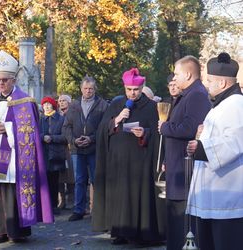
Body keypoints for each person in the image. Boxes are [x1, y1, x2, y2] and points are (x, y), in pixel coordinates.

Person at [0, 50, 53, 244]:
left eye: (5, 80)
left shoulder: (25, 101)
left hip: (15, 159)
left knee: (12, 192)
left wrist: (7, 128)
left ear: (13, 80)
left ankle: (17, 232)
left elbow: (30, 131)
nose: (1, 84)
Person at [92, 68, 164, 246]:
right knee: (119, 196)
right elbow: (102, 129)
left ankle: (140, 234)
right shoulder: (117, 104)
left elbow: (158, 134)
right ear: (124, 88)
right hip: (118, 161)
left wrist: (144, 134)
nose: (132, 93)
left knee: (137, 197)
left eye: (136, 90)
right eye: (129, 89)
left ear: (142, 88)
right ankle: (120, 232)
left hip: (140, 162)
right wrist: (116, 120)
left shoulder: (151, 107)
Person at [186, 52, 243, 250]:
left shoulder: (237, 105)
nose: (206, 84)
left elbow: (236, 141)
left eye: (210, 80)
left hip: (228, 195)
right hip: (215, 190)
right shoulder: (221, 104)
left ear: (223, 84)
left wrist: (202, 148)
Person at [158, 55, 211, 250]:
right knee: (175, 220)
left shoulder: (196, 94)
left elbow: (191, 128)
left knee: (182, 221)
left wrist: (165, 128)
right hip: (177, 166)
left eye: (177, 73)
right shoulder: (188, 94)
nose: (175, 77)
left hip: (185, 169)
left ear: (188, 74)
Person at [62, 76, 108, 221]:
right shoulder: (74, 105)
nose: (88, 91)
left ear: (95, 89)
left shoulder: (102, 105)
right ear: (81, 89)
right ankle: (78, 210)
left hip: (94, 149)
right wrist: (74, 141)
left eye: (91, 89)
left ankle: (100, 210)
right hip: (77, 150)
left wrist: (92, 139)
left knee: (96, 179)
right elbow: (66, 127)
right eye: (86, 88)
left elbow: (105, 127)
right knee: (79, 180)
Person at [40, 96, 67, 215]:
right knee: (43, 181)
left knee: (54, 181)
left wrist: (52, 138)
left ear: (53, 105)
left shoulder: (61, 119)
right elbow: (35, 133)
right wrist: (42, 137)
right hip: (43, 154)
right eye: (44, 104)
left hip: (55, 154)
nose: (46, 106)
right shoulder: (40, 119)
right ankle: (44, 205)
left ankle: (54, 205)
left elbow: (65, 137)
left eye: (48, 104)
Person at [57, 94, 74, 210]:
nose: (62, 102)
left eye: (64, 100)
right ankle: (61, 200)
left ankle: (72, 200)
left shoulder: (73, 114)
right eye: (60, 101)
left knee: (71, 175)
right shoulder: (56, 116)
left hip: (71, 148)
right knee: (60, 176)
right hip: (59, 150)